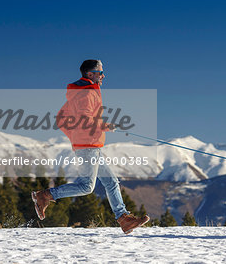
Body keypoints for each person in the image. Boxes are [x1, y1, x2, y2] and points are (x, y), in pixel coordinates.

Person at [32, 59, 149, 234]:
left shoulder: (80, 92)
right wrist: (103, 126)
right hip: (87, 146)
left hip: (89, 144)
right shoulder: (86, 93)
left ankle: (123, 219)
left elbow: (61, 119)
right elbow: (84, 119)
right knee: (87, 186)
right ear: (90, 74)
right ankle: (45, 195)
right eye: (101, 72)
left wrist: (76, 136)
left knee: (111, 182)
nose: (103, 75)